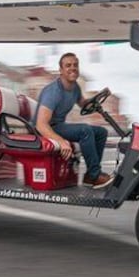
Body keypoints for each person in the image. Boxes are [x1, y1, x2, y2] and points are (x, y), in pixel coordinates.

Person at [34, 52, 113, 189]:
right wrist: (61, 141)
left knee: (101, 132)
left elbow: (83, 103)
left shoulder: (75, 87)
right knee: (85, 130)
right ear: (61, 70)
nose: (73, 68)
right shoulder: (53, 92)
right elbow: (40, 124)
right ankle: (95, 176)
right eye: (68, 65)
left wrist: (97, 99)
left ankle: (91, 175)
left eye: (75, 65)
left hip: (58, 125)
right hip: (46, 129)